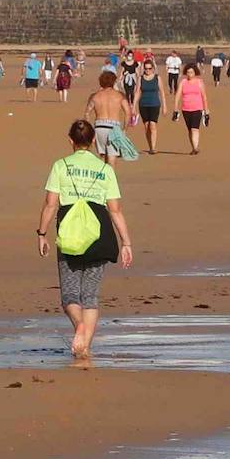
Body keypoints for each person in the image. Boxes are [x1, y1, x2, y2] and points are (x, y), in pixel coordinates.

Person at [36, 120, 135, 359]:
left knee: (70, 295)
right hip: (99, 233)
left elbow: (50, 204)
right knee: (90, 296)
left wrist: (42, 233)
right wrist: (126, 243)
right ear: (92, 141)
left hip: (69, 233)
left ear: (70, 140)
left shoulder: (60, 165)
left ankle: (79, 327)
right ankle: (85, 348)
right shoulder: (105, 169)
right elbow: (115, 210)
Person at [83, 71, 138, 165]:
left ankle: (101, 174)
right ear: (113, 82)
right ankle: (110, 174)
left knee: (102, 156)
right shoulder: (119, 95)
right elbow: (128, 113)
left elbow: (87, 113)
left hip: (99, 127)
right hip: (114, 128)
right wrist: (125, 129)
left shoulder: (95, 96)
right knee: (112, 158)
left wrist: (90, 129)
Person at [173, 63, 209, 155]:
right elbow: (177, 95)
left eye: (191, 72)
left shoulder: (199, 82)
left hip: (197, 108)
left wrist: (206, 110)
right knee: (190, 130)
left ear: (195, 72)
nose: (190, 74)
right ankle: (193, 148)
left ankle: (196, 147)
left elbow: (204, 96)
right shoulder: (183, 82)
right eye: (188, 72)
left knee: (194, 129)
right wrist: (175, 108)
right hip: (185, 109)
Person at [136, 59, 167, 154]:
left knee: (152, 125)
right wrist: (133, 106)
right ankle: (150, 146)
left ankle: (153, 147)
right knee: (146, 126)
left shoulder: (157, 78)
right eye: (146, 69)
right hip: (143, 104)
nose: (148, 70)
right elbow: (137, 92)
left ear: (153, 68)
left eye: (149, 68)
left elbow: (162, 92)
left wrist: (164, 106)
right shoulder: (140, 78)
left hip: (154, 104)